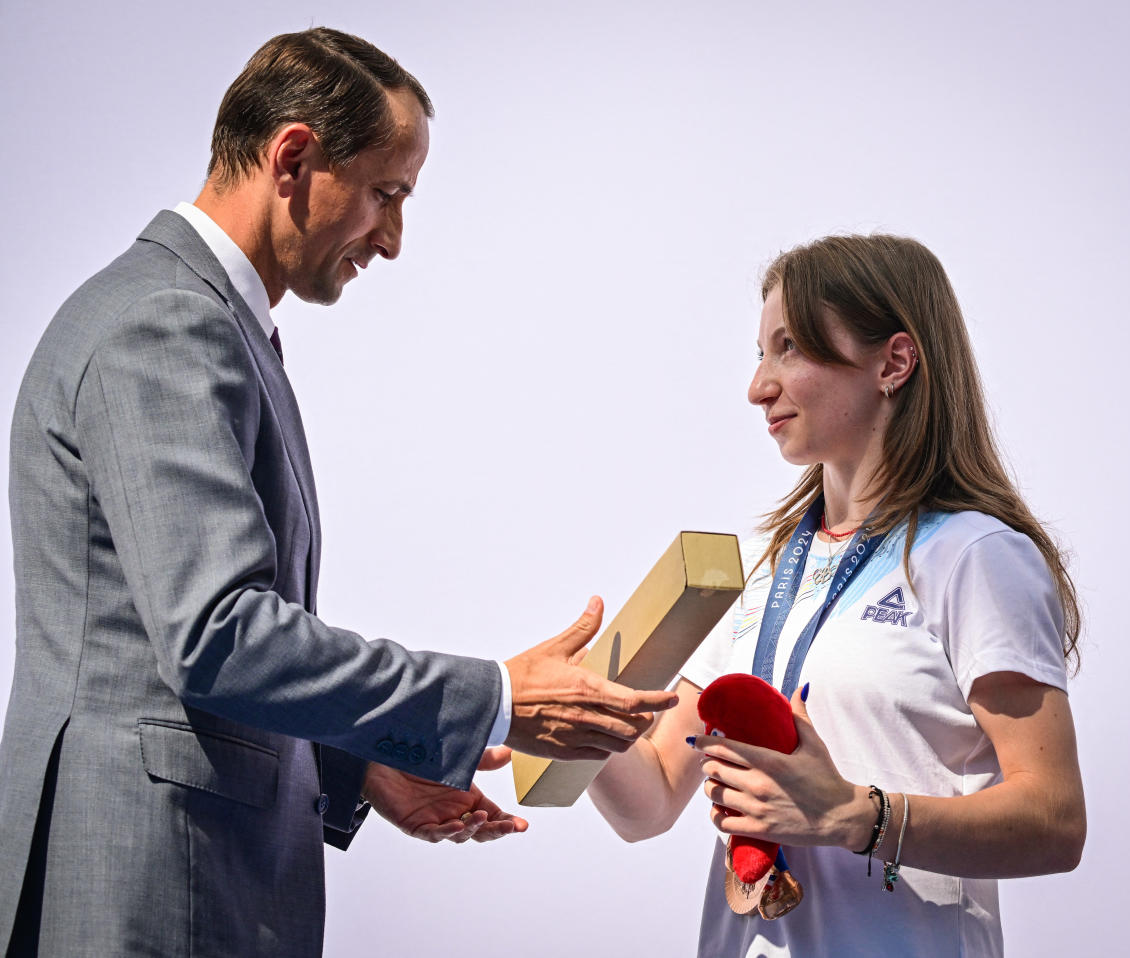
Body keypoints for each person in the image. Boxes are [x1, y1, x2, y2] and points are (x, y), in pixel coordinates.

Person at [0, 27, 676, 958]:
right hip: (149, 890)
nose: (392, 240)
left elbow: (167, 649)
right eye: (386, 194)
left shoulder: (202, 322)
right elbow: (216, 635)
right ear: (293, 157)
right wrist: (494, 698)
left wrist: (354, 766)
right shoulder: (165, 325)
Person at [588, 234, 1086, 956]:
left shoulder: (975, 556)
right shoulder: (762, 565)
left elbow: (1055, 820)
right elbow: (655, 797)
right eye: (760, 353)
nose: (759, 386)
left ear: (893, 362)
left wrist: (855, 816)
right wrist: (583, 722)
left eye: (790, 348)